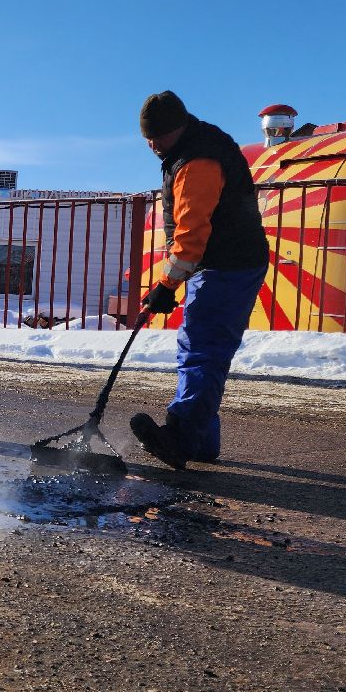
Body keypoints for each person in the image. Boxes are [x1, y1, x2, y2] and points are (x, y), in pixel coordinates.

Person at [130, 90, 268, 469]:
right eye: (148, 139)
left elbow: (191, 236)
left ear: (179, 128)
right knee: (202, 346)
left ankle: (183, 436)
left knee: (203, 348)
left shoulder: (198, 160)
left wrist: (165, 286)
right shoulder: (187, 149)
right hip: (222, 262)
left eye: (159, 137)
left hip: (228, 263)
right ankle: (202, 441)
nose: (154, 146)